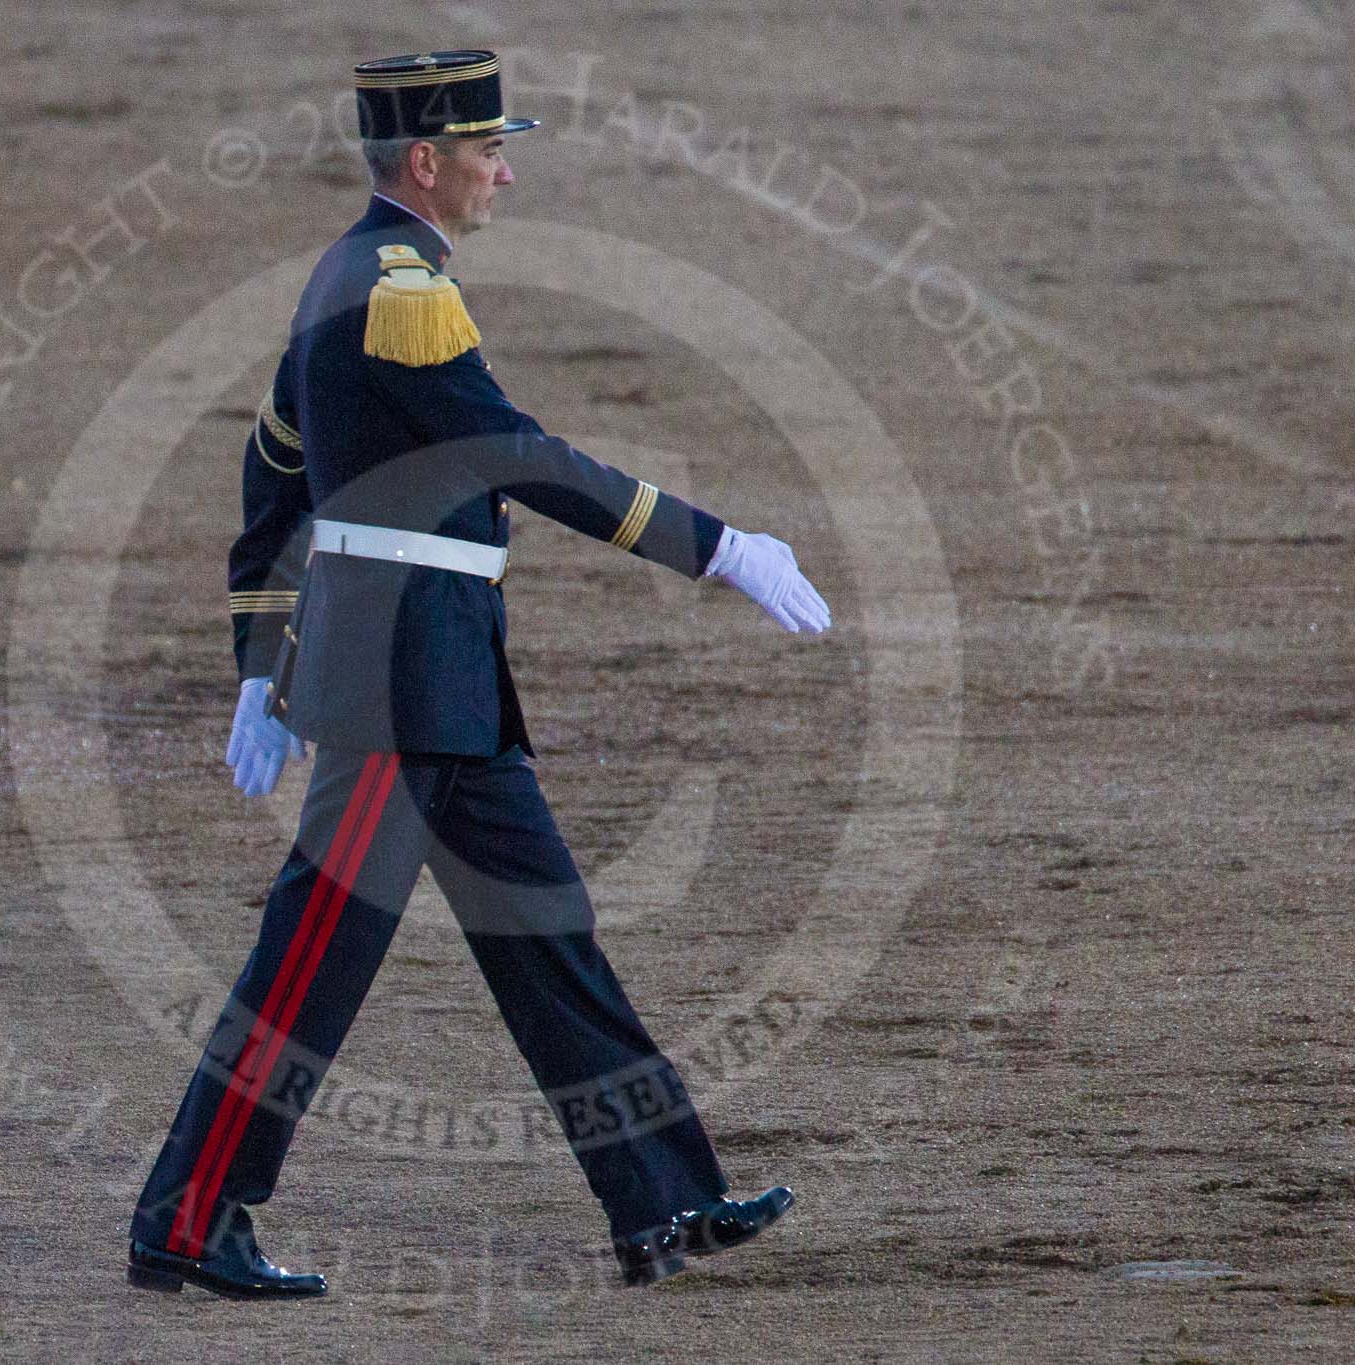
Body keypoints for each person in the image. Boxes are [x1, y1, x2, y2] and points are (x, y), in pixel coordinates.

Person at [127, 50, 832, 1300]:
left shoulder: (342, 276)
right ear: (425, 163)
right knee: (309, 962)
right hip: (400, 682)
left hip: (439, 680)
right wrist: (714, 546)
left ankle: (661, 1203)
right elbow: (515, 454)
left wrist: (262, 658)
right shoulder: (399, 292)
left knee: (549, 935)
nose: (502, 169)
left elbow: (271, 466)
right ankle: (189, 1221)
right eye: (487, 149)